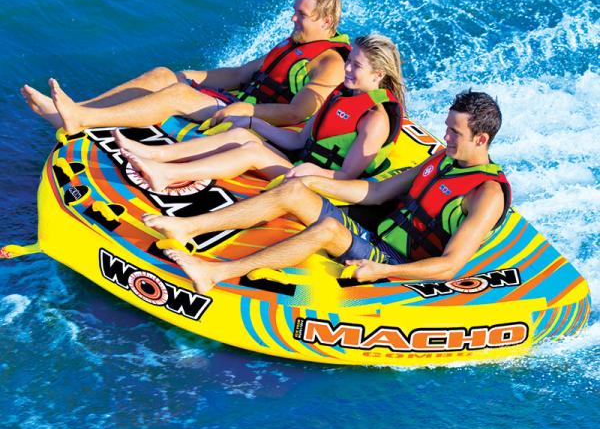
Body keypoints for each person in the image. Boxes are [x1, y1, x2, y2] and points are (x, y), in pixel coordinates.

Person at [140, 90, 512, 294]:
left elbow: (450, 265)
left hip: (394, 261)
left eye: (454, 133)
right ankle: (187, 227)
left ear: (481, 139)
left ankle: (216, 273)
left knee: (329, 230)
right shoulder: (442, 159)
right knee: (294, 190)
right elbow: (377, 192)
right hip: (372, 236)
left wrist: (383, 271)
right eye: (446, 128)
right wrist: (316, 183)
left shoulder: (486, 195)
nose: (445, 137)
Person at [20, 0, 350, 133]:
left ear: (326, 21)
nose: (292, 19)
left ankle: (82, 120)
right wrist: (191, 76)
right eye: (294, 11)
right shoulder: (293, 43)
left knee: (178, 95)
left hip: (260, 121)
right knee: (165, 75)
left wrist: (247, 111)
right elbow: (240, 75)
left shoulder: (330, 62)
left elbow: (298, 112)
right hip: (240, 103)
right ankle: (76, 111)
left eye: (301, 15)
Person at [115, 33, 405, 192]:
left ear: (378, 75)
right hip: (302, 163)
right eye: (349, 60)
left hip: (325, 183)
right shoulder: (341, 94)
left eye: (356, 65)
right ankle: (154, 154)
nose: (347, 68)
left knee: (252, 152)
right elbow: (297, 141)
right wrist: (253, 122)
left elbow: (346, 176)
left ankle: (167, 173)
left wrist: (314, 171)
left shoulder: (375, 117)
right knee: (243, 134)